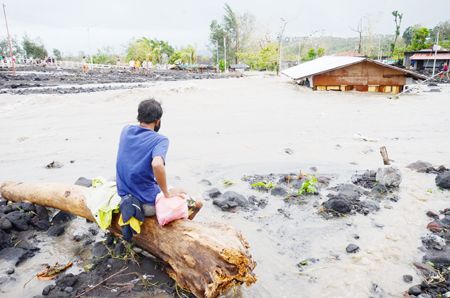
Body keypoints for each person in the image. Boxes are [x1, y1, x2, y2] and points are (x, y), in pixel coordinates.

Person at [116, 99, 202, 223]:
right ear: (158, 121)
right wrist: (166, 193)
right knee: (197, 203)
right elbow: (157, 164)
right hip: (146, 203)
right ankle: (179, 228)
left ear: (139, 117)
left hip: (124, 197)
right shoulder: (160, 140)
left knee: (166, 187)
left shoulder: (125, 130)